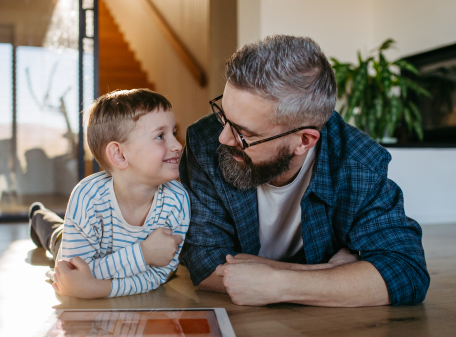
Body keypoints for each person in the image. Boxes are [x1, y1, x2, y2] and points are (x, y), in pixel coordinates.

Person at [179, 35, 430, 307]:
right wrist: (330, 274)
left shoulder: (358, 162)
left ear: (304, 141)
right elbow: (203, 262)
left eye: (245, 133)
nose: (224, 138)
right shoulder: (204, 142)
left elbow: (406, 271)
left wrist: (278, 285)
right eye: (224, 116)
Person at [29, 89, 189, 299]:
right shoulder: (88, 197)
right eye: (160, 136)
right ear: (119, 154)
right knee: (56, 236)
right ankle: (38, 214)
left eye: (174, 133)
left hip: (103, 260)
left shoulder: (178, 200)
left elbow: (160, 274)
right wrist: (144, 254)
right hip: (74, 244)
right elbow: (72, 274)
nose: (178, 145)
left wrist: (96, 288)